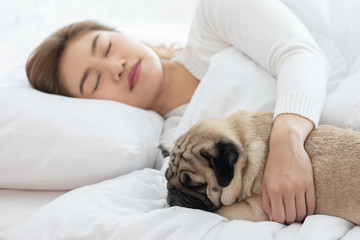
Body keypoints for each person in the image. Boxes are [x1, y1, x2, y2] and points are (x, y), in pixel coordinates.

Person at [26, 0, 329, 225]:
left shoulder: (213, 19)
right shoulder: (174, 149)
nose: (114, 67)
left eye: (106, 47)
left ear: (127, 34)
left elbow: (299, 52)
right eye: (94, 82)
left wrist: (286, 143)